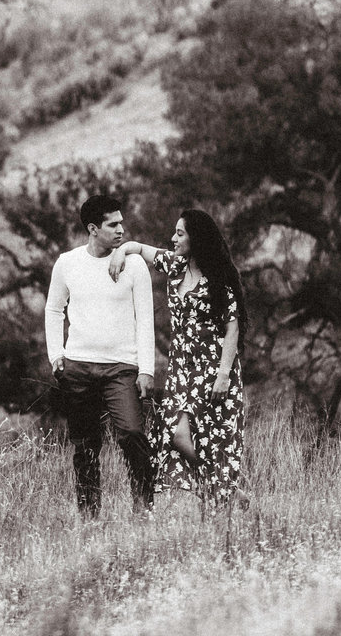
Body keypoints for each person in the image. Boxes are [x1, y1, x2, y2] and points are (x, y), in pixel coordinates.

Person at [108, 208, 245, 505]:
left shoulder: (218, 277)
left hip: (212, 368)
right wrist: (122, 251)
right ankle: (226, 493)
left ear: (196, 238)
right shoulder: (175, 266)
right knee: (175, 434)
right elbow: (142, 249)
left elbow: (232, 327)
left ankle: (224, 494)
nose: (173, 238)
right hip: (182, 367)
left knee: (209, 439)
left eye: (180, 233)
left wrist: (223, 375)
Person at [45, 193, 155, 516]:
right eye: (113, 224)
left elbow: (145, 318)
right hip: (78, 368)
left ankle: (144, 508)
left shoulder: (134, 265)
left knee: (133, 433)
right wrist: (56, 355)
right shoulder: (67, 263)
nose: (121, 229)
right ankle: (90, 515)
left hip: (122, 367)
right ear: (93, 228)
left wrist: (146, 369)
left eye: (122, 222)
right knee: (85, 446)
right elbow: (53, 309)